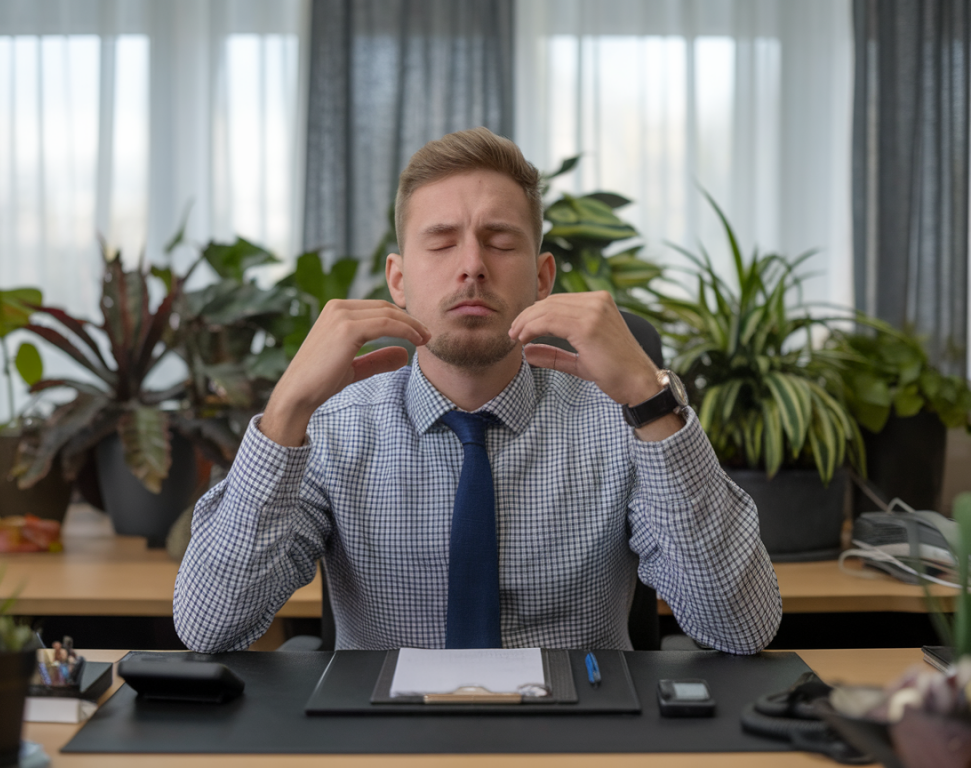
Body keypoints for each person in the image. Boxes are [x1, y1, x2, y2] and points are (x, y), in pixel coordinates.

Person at [174, 127, 781, 654]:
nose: (472, 265)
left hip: (579, 737)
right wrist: (286, 412)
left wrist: (653, 403)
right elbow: (208, 626)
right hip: (384, 741)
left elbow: (741, 628)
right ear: (399, 280)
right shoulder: (334, 426)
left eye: (500, 241)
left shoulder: (623, 423)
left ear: (543, 278)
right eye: (441, 241)